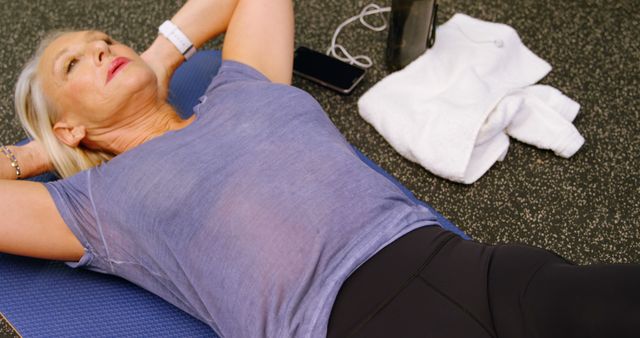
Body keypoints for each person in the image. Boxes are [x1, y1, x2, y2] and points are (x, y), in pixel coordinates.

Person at [0, 1, 638, 337]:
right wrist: (44, 155)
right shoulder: (92, 206)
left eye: (105, 40)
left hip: (469, 267)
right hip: (346, 323)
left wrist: (160, 58)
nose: (102, 49)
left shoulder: (242, 86)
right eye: (74, 66)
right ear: (68, 125)